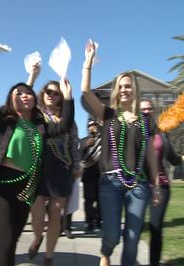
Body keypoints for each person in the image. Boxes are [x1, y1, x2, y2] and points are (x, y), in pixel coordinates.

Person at [0, 56, 74, 266]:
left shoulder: (40, 126)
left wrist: (69, 98)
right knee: (6, 241)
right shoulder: (3, 118)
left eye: (28, 93)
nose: (25, 96)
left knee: (14, 239)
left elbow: (63, 126)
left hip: (26, 187)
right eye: (19, 93)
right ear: (11, 99)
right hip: (1, 185)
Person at [81, 41, 160, 266]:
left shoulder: (146, 121)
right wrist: (88, 63)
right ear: (117, 90)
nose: (125, 89)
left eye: (129, 85)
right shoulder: (107, 114)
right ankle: (106, 251)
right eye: (121, 86)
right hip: (110, 182)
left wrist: (155, 185)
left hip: (139, 184)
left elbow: (151, 156)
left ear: (135, 89)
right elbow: (86, 91)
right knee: (113, 235)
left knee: (133, 239)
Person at [29, 80, 80, 262]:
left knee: (55, 215)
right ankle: (37, 237)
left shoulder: (68, 118)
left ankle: (49, 257)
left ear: (61, 97)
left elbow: (74, 142)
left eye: (56, 93)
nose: (51, 95)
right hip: (39, 169)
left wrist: (76, 166)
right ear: (42, 94)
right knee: (36, 212)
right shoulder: (35, 115)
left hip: (61, 168)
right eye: (48, 92)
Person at [140, 99, 182, 266]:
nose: (146, 112)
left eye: (149, 109)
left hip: (161, 186)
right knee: (134, 228)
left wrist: (181, 158)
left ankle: (154, 263)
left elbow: (172, 158)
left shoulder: (162, 133)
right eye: (143, 109)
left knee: (155, 229)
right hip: (140, 186)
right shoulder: (134, 132)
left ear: (153, 111)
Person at [80, 120, 102, 232]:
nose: (93, 127)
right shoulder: (83, 140)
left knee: (100, 200)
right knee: (88, 200)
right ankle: (89, 222)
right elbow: (79, 156)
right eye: (90, 126)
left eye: (95, 125)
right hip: (88, 174)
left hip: (101, 174)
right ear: (88, 128)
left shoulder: (103, 140)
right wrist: (85, 146)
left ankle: (98, 221)